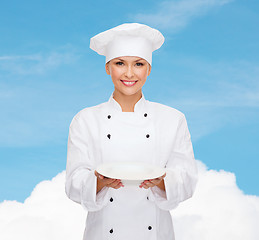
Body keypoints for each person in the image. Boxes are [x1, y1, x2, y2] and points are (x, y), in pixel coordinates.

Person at [65, 23, 198, 240]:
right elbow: (73, 183)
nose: (129, 73)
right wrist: (99, 182)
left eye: (138, 64)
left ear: (149, 69)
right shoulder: (85, 120)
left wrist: (162, 181)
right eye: (120, 63)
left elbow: (187, 180)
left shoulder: (173, 119)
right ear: (107, 67)